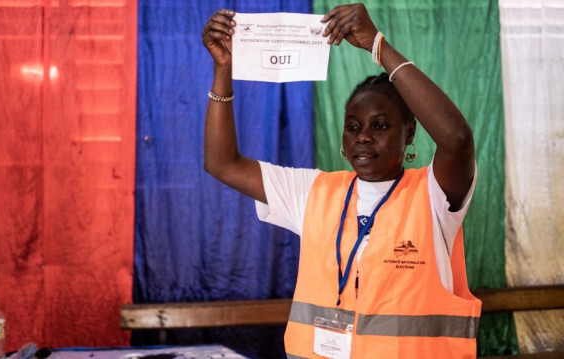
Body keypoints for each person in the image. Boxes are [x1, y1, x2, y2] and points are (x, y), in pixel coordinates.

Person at [202, 3, 481, 359]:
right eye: (353, 126)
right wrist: (223, 69)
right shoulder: (314, 192)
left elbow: (456, 139)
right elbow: (221, 163)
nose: (363, 137)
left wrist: (377, 46)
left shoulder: (432, 194)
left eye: (380, 126)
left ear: (409, 133)